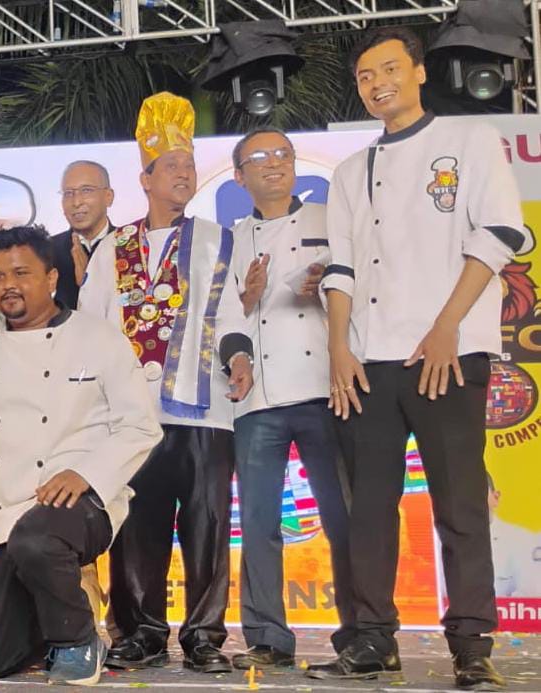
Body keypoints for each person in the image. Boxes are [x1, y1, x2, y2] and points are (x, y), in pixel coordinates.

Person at [311, 27, 526, 690]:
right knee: (368, 509)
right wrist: (339, 348)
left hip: (447, 352)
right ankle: (373, 638)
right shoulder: (350, 172)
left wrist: (445, 327)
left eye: (389, 69)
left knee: (459, 504)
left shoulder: (470, 142)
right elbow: (341, 267)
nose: (378, 84)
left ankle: (471, 644)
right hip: (369, 358)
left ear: (419, 72)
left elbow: (499, 233)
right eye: (365, 76)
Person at [77, 92, 252, 675]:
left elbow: (231, 312)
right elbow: (92, 325)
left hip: (204, 411)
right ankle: (139, 632)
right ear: (145, 179)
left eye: (189, 165)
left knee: (207, 527)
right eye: (171, 166)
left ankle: (204, 636)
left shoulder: (218, 238)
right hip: (132, 417)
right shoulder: (113, 247)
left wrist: (239, 356)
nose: (184, 174)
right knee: (135, 528)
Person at [0, 225, 161, 685]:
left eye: (21, 273)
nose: (9, 285)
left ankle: (78, 640)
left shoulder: (99, 338)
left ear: (52, 278)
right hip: (2, 511)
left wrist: (86, 473)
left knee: (37, 539)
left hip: (81, 503)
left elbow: (140, 426)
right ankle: (58, 614)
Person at [226, 130, 354, 669]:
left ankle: (363, 632)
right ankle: (268, 638)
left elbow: (363, 290)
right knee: (258, 522)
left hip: (326, 386)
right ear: (240, 176)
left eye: (283, 154)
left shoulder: (330, 219)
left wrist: (322, 287)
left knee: (344, 516)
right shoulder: (232, 239)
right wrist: (246, 298)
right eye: (259, 157)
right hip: (258, 398)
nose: (274, 163)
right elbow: (223, 318)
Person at [51, 161, 116, 309]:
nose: (76, 202)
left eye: (86, 190)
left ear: (108, 196)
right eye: (68, 193)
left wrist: (90, 282)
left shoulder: (130, 247)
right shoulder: (46, 251)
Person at [489, 474, 541, 599]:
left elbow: (530, 600)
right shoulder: (445, 542)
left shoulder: (521, 540)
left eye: (478, 493)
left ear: (496, 497)